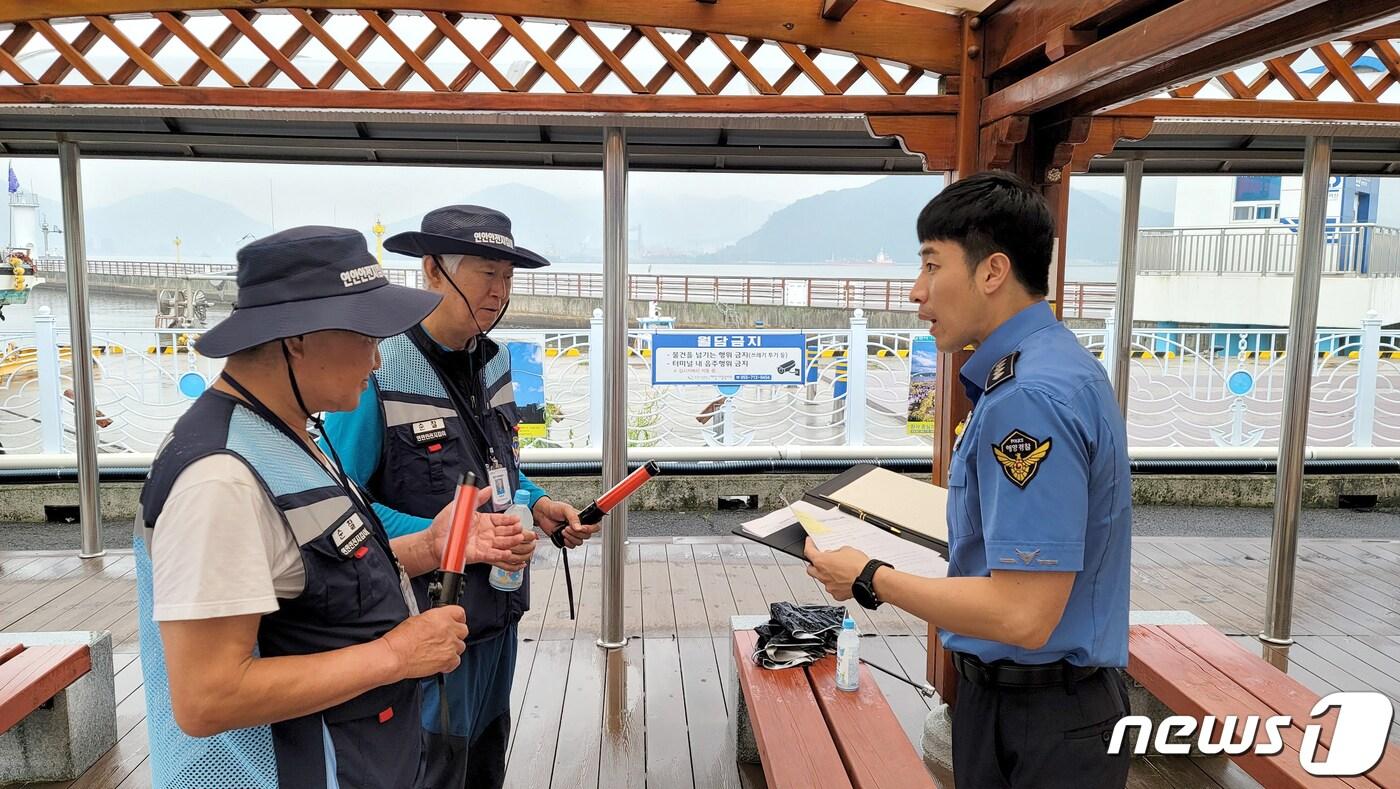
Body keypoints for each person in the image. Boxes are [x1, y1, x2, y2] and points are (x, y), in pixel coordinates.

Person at [133, 226, 527, 788]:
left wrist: (433, 546)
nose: (376, 361)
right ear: (297, 338)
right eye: (367, 337)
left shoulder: (287, 433)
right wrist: (396, 655)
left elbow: (313, 573)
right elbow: (208, 697)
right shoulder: (218, 479)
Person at [805, 171, 1133, 788]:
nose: (915, 292)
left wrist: (870, 576)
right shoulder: (1053, 364)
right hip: (1045, 708)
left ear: (992, 272)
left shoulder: (1027, 396)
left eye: (931, 265)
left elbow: (1023, 614)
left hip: (1039, 721)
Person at [321, 205, 598, 788]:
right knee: (429, 767)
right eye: (484, 273)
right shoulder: (377, 371)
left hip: (497, 613)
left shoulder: (494, 363)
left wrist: (540, 505)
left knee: (483, 761)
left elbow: (497, 469)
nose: (499, 292)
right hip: (421, 624)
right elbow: (339, 506)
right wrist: (447, 539)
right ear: (432, 270)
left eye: (507, 276)